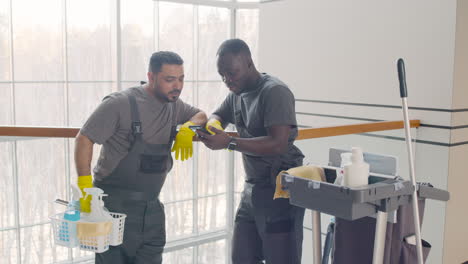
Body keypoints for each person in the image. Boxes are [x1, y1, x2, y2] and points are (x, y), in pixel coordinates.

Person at [74, 51, 207, 263]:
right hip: (112, 210)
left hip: (152, 210)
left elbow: (201, 115)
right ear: (151, 77)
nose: (178, 86)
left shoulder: (174, 105)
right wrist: (84, 186)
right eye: (169, 79)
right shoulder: (120, 104)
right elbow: (84, 139)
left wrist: (188, 128)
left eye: (181, 79)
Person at [197, 39, 305, 264]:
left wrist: (229, 143)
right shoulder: (237, 91)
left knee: (281, 258)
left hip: (280, 189)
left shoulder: (275, 92)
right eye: (222, 75)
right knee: (242, 257)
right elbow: (218, 115)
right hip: (252, 189)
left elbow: (278, 143)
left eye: (231, 73)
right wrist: (214, 126)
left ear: (248, 63)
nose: (227, 80)